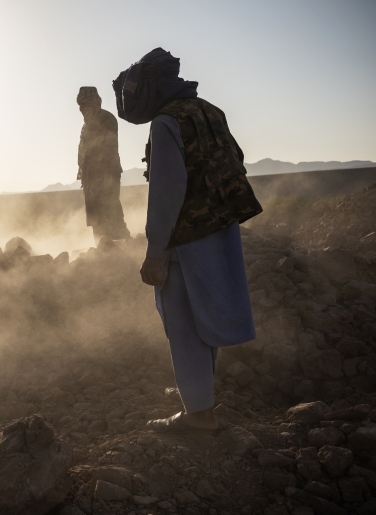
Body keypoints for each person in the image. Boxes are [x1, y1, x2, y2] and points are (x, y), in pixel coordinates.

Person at [112, 48, 262, 431]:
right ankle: (198, 391)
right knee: (206, 314)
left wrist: (155, 251)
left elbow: (166, 192)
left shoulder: (165, 122)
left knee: (182, 320)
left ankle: (198, 414)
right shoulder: (208, 110)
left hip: (185, 238)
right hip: (220, 229)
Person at [76, 86, 130, 243]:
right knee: (95, 215)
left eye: (85, 105)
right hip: (90, 176)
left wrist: (108, 175)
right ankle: (102, 250)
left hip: (106, 174)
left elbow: (110, 147)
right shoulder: (87, 124)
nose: (82, 109)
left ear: (94, 103)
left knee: (111, 211)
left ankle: (122, 248)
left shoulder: (107, 119)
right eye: (80, 106)